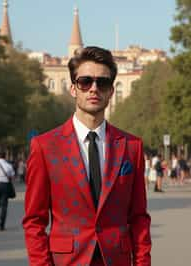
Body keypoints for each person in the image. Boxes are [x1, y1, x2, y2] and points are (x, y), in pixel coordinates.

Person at [22, 46, 151, 266]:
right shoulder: (45, 147)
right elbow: (34, 221)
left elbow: (138, 218)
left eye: (102, 82)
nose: (94, 89)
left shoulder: (131, 147)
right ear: (73, 89)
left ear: (111, 90)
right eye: (85, 82)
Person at [0, 151, 15, 231]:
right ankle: (2, 225)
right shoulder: (9, 165)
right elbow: (12, 177)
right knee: (4, 206)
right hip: (5, 185)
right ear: (5, 157)